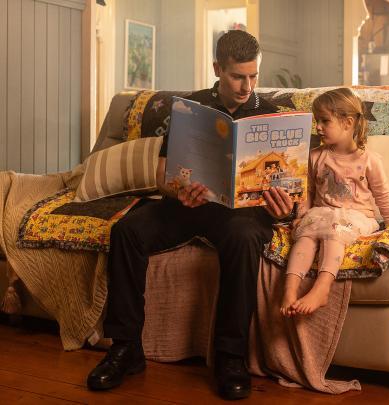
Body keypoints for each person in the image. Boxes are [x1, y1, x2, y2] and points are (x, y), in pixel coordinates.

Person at [86, 30, 295, 400]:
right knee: (127, 231)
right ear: (217, 69)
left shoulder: (271, 114)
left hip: (241, 215)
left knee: (244, 237)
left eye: (253, 76)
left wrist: (284, 208)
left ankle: (231, 358)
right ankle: (125, 348)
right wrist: (178, 189)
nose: (247, 86)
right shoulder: (189, 107)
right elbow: (164, 173)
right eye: (237, 76)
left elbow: (289, 185)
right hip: (190, 205)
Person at [280, 88, 389, 317]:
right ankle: (289, 289)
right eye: (317, 121)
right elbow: (308, 191)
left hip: (356, 219)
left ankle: (322, 288)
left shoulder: (369, 161)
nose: (318, 127)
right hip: (320, 214)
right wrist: (300, 217)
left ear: (348, 122)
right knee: (305, 236)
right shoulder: (315, 156)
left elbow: (383, 196)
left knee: (335, 231)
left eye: (325, 121)